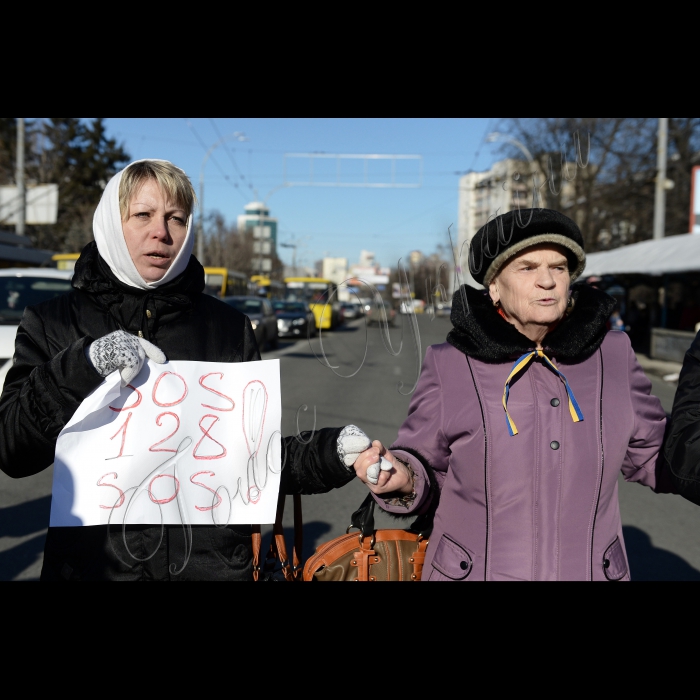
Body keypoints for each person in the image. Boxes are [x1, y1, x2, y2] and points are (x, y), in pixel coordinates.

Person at [0, 159, 369, 581]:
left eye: (176, 218)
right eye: (143, 215)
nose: (161, 231)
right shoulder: (53, 322)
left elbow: (252, 457)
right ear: (110, 223)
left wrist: (333, 453)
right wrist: (84, 364)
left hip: (210, 569)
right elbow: (13, 451)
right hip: (90, 568)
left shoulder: (227, 328)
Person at [353, 208, 675, 581]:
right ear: (494, 287)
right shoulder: (451, 363)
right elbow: (424, 461)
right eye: (527, 268)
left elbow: (654, 454)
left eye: (558, 268)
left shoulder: (613, 355)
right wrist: (402, 478)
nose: (547, 281)